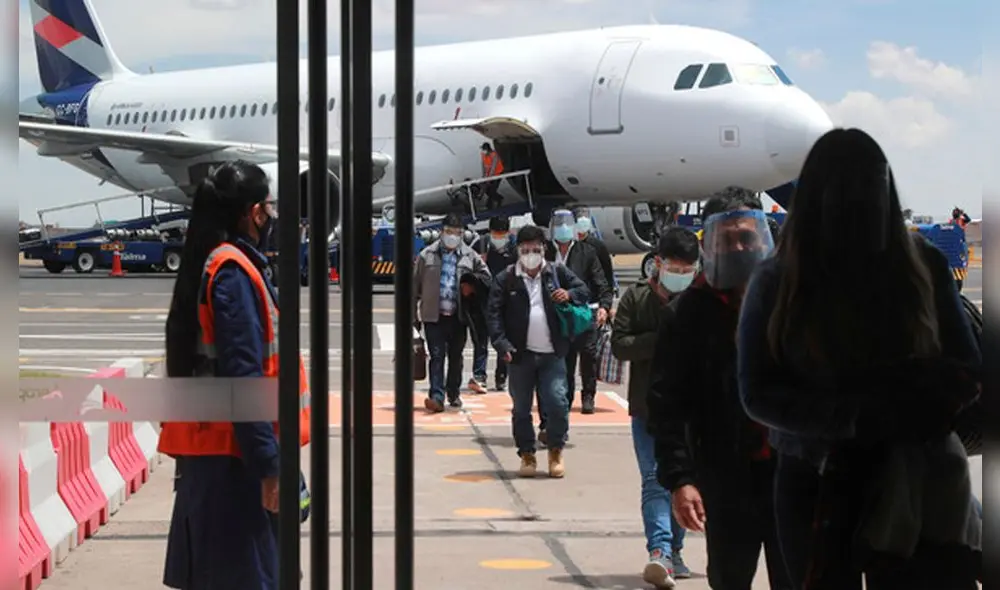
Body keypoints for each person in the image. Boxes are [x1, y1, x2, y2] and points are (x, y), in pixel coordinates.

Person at [737, 128, 982, 589]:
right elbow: (755, 391)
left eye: (869, 186)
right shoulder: (777, 280)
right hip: (816, 479)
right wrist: (857, 417)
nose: (859, 203)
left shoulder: (921, 263)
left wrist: (898, 405)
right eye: (847, 190)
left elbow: (969, 368)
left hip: (911, 475)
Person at [159, 160, 312, 590]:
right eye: (268, 208)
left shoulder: (222, 265)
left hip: (223, 452)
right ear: (252, 212)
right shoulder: (232, 273)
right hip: (234, 459)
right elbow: (243, 377)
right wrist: (268, 466)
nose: (271, 218)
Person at [647, 192, 793, 590]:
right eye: (727, 239)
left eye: (747, 236)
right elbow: (667, 404)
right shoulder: (689, 314)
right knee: (729, 579)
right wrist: (680, 479)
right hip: (727, 478)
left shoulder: (792, 300)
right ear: (710, 244)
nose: (739, 247)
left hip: (793, 473)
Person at [610, 227, 700, 587]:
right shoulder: (636, 299)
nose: (680, 277)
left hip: (693, 411)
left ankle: (675, 550)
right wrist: (662, 337)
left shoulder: (701, 300)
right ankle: (659, 551)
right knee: (653, 480)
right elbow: (620, 344)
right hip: (647, 408)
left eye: (687, 270)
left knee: (683, 480)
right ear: (658, 263)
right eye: (674, 269)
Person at [487, 224, 590, 478]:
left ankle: (555, 448)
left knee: (557, 402)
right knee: (521, 408)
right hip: (520, 356)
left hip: (552, 353)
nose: (531, 254)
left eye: (535, 249)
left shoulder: (556, 272)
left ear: (544, 249)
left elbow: (584, 291)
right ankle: (527, 454)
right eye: (525, 249)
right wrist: (502, 344)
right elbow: (493, 315)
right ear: (518, 251)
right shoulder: (507, 278)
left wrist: (569, 293)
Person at [414, 212, 492, 412]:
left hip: (459, 317)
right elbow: (414, 288)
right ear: (441, 232)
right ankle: (436, 396)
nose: (452, 236)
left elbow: (486, 278)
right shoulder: (426, 255)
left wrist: (471, 284)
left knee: (456, 357)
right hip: (434, 316)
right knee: (437, 356)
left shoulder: (470, 255)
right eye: (449, 232)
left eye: (457, 232)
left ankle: (453, 392)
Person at [543, 209, 613, 423]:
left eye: (567, 223)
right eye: (559, 223)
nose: (563, 228)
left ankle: (588, 396)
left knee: (588, 356)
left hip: (584, 312)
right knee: (565, 359)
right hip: (558, 315)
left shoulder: (587, 252)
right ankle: (565, 397)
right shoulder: (546, 252)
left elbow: (602, 283)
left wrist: (604, 306)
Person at [472, 215, 517, 390]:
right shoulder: (481, 243)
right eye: (495, 233)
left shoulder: (514, 247)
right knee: (481, 340)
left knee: (502, 339)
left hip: (505, 300)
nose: (498, 237)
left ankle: (501, 376)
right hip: (483, 299)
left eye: (502, 233)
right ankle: (479, 375)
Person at [572, 206, 617, 296]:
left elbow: (607, 271)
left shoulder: (598, 245)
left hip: (594, 294)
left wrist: (608, 296)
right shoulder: (571, 244)